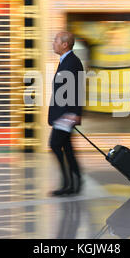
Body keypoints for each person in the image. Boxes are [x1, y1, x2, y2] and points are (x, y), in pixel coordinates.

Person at [48, 31, 84, 196]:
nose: (53, 43)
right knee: (67, 148)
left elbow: (78, 89)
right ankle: (74, 183)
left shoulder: (72, 62)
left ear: (65, 44)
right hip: (64, 114)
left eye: (56, 40)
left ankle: (69, 183)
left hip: (66, 114)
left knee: (55, 144)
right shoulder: (66, 61)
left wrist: (75, 113)